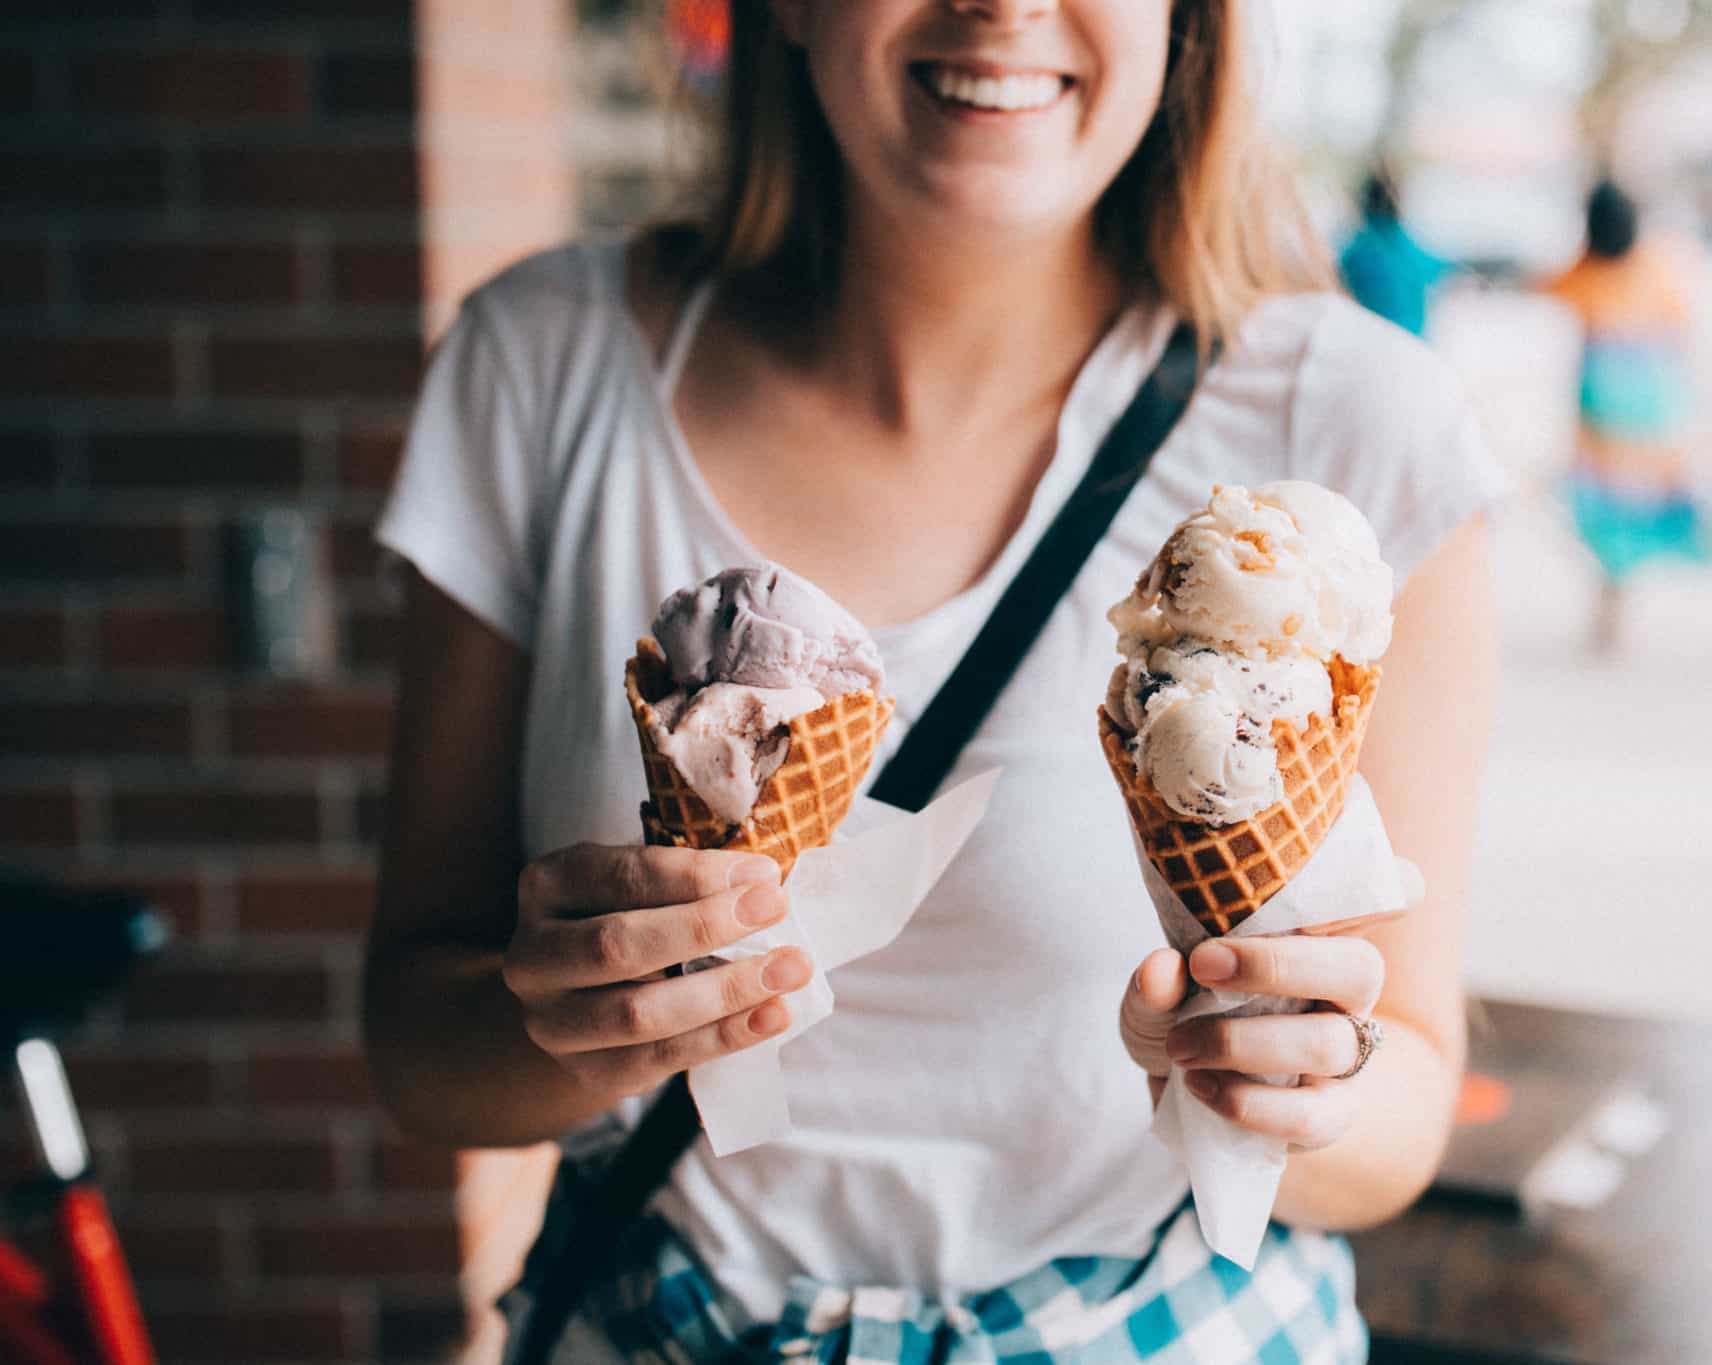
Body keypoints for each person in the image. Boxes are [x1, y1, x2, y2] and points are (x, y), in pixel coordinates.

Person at [364, 2, 1502, 1360]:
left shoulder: (1359, 423)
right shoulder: (540, 364)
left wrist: (1286, 1089)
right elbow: (414, 1047)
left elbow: (1401, 1117)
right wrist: (563, 1021)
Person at [1546, 178, 1708, 652]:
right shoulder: (1663, 267)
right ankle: (1615, 609)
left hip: (1602, 429)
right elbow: (1688, 336)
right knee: (1642, 517)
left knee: (1606, 525)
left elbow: (1547, 284)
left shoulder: (1585, 274)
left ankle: (1610, 611)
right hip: (1657, 420)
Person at [1336, 172, 1445, 338]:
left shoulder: (1354, 253)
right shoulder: (1411, 250)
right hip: (1412, 345)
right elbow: (1439, 270)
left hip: (1369, 347)